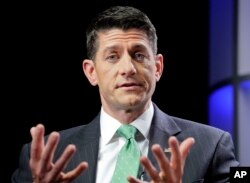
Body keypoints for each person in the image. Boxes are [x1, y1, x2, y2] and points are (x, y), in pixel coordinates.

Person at [12, 5, 239, 183]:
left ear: (157, 67)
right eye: (112, 56)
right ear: (91, 72)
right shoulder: (43, 158)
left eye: (139, 55)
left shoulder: (212, 145)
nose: (128, 68)